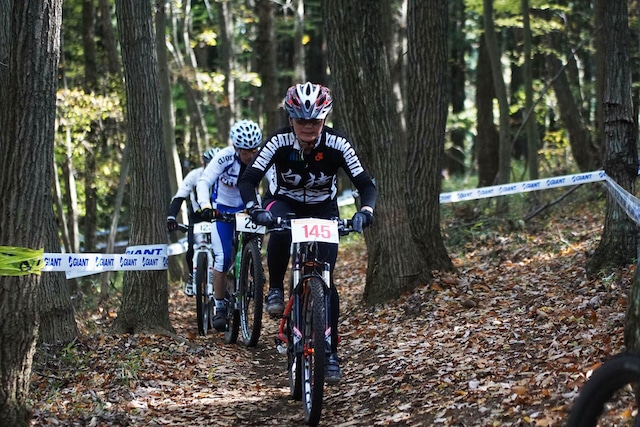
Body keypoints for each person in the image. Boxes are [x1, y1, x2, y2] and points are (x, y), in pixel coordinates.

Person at [237, 82, 376, 383]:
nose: (308, 127)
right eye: (301, 120)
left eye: (314, 121)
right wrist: (253, 207)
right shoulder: (278, 142)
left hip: (323, 208)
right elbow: (248, 180)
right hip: (283, 201)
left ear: (324, 119)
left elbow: (365, 183)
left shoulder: (338, 144)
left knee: (327, 279)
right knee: (280, 228)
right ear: (291, 119)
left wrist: (365, 211)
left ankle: (330, 351)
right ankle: (275, 287)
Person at [195, 119, 263, 332]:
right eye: (245, 152)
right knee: (223, 258)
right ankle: (220, 305)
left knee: (259, 245)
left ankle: (256, 273)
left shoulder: (262, 157)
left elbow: (275, 181)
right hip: (223, 209)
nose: (250, 156)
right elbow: (204, 181)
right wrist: (205, 205)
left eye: (254, 150)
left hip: (248, 207)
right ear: (236, 148)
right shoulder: (224, 157)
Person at [167, 147, 220, 296]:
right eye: (208, 164)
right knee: (191, 249)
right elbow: (179, 198)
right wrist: (171, 216)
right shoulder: (194, 175)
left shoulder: (223, 174)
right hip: (197, 216)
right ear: (203, 163)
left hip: (218, 214)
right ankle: (192, 276)